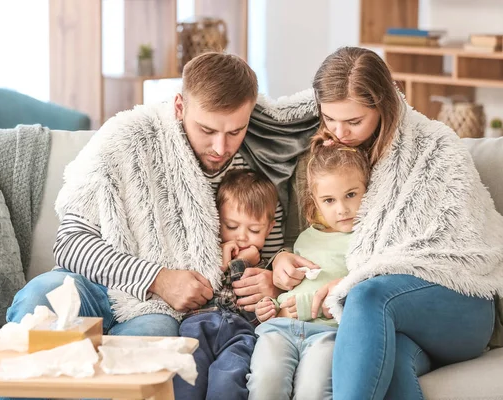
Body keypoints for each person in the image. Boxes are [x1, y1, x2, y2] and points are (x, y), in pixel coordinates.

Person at [271, 46, 503, 399]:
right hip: (397, 319)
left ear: (383, 107)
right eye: (330, 118)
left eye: (353, 121)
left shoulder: (435, 149)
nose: (339, 131)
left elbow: (460, 251)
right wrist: (280, 257)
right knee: (387, 361)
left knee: (364, 296)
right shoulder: (329, 153)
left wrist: (351, 281)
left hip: (463, 302)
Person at [3, 52, 284, 340]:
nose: (221, 147)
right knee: (39, 297)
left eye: (236, 131)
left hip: (157, 310)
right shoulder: (126, 140)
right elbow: (71, 244)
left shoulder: (254, 165)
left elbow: (275, 253)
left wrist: (271, 282)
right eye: (207, 130)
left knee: (154, 339)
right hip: (92, 285)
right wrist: (157, 279)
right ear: (179, 106)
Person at [247, 142, 370, 400]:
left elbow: (362, 291)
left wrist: (302, 305)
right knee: (264, 385)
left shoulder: (366, 240)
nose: (342, 209)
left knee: (312, 391)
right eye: (329, 200)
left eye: (351, 195)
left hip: (328, 333)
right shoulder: (305, 238)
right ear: (315, 201)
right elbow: (289, 287)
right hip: (280, 328)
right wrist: (268, 305)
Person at [174, 168, 279, 400]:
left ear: (269, 229)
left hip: (240, 334)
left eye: (254, 230)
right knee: (186, 378)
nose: (241, 237)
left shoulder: (268, 269)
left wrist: (242, 263)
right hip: (196, 327)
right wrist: (222, 260)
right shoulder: (206, 254)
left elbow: (254, 311)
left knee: (228, 380)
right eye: (231, 227)